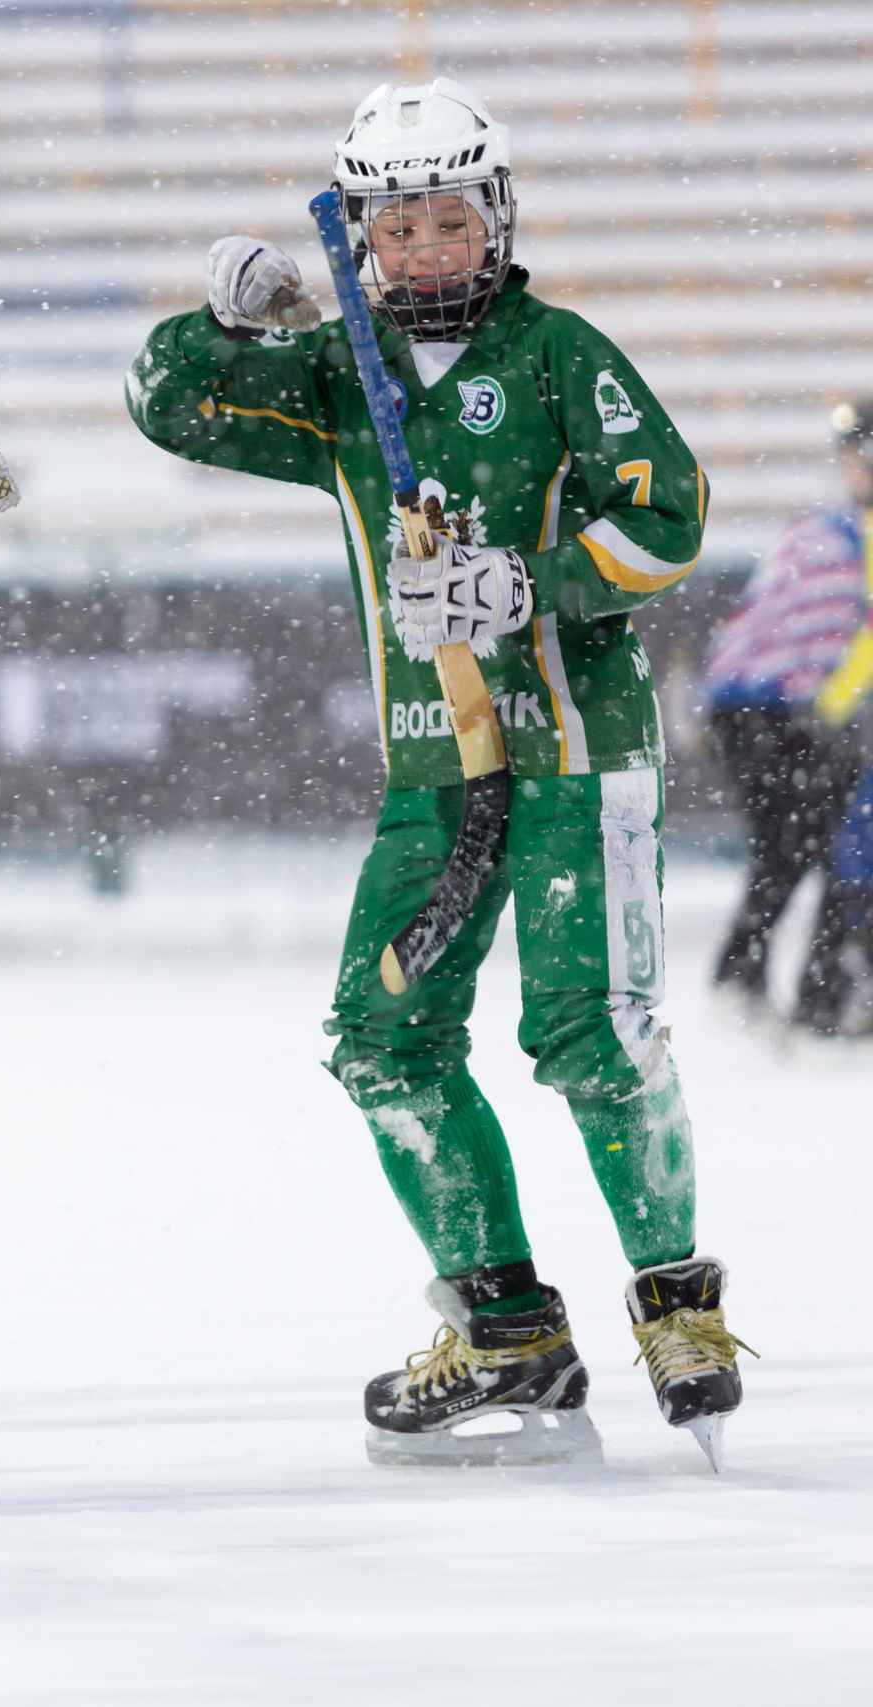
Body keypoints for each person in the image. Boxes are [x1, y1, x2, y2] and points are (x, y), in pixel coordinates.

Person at [127, 78, 751, 1465]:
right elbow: (168, 405)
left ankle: (678, 1300)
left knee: (594, 1036)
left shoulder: (553, 351)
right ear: (356, 238)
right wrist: (221, 319)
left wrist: (522, 586)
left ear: (498, 218)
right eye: (392, 228)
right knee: (381, 1039)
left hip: (579, 755)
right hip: (432, 769)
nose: (422, 253)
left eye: (447, 222)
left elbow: (672, 514)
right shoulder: (338, 373)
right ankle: (506, 1327)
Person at [698, 400, 873, 1032]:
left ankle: (798, 991)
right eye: (858, 454)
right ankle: (766, 987)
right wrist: (822, 712)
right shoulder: (835, 532)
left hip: (770, 710)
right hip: (768, 710)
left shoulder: (836, 530)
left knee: (809, 847)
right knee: (796, 847)